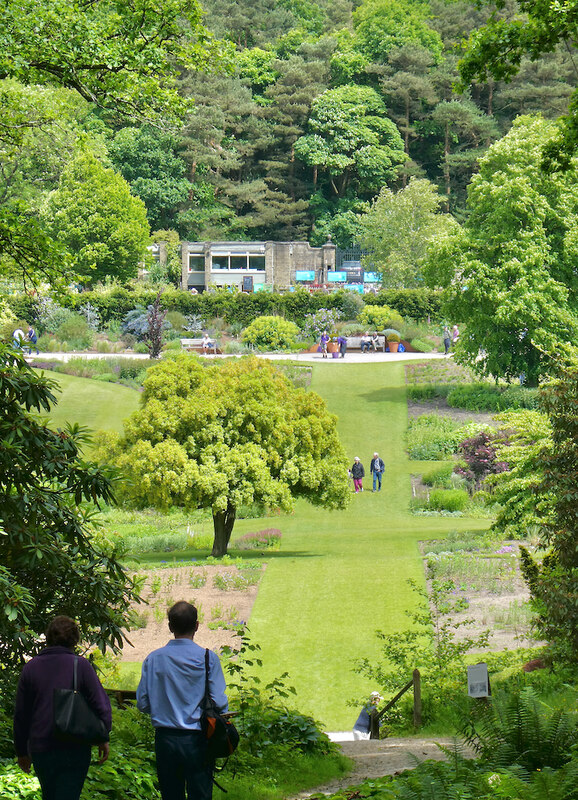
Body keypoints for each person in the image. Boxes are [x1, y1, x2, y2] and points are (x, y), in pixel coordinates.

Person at [137, 601, 228, 800]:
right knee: (200, 794)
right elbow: (220, 703)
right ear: (196, 625)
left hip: (165, 739)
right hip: (199, 739)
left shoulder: (153, 659)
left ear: (170, 627)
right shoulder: (207, 658)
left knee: (171, 795)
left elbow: (143, 703)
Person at [13, 615, 111, 800]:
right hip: (74, 746)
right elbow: (102, 705)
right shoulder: (80, 666)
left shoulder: (31, 668)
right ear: (75, 639)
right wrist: (102, 735)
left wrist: (22, 751)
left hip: (41, 747)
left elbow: (21, 715)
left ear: (48, 637)